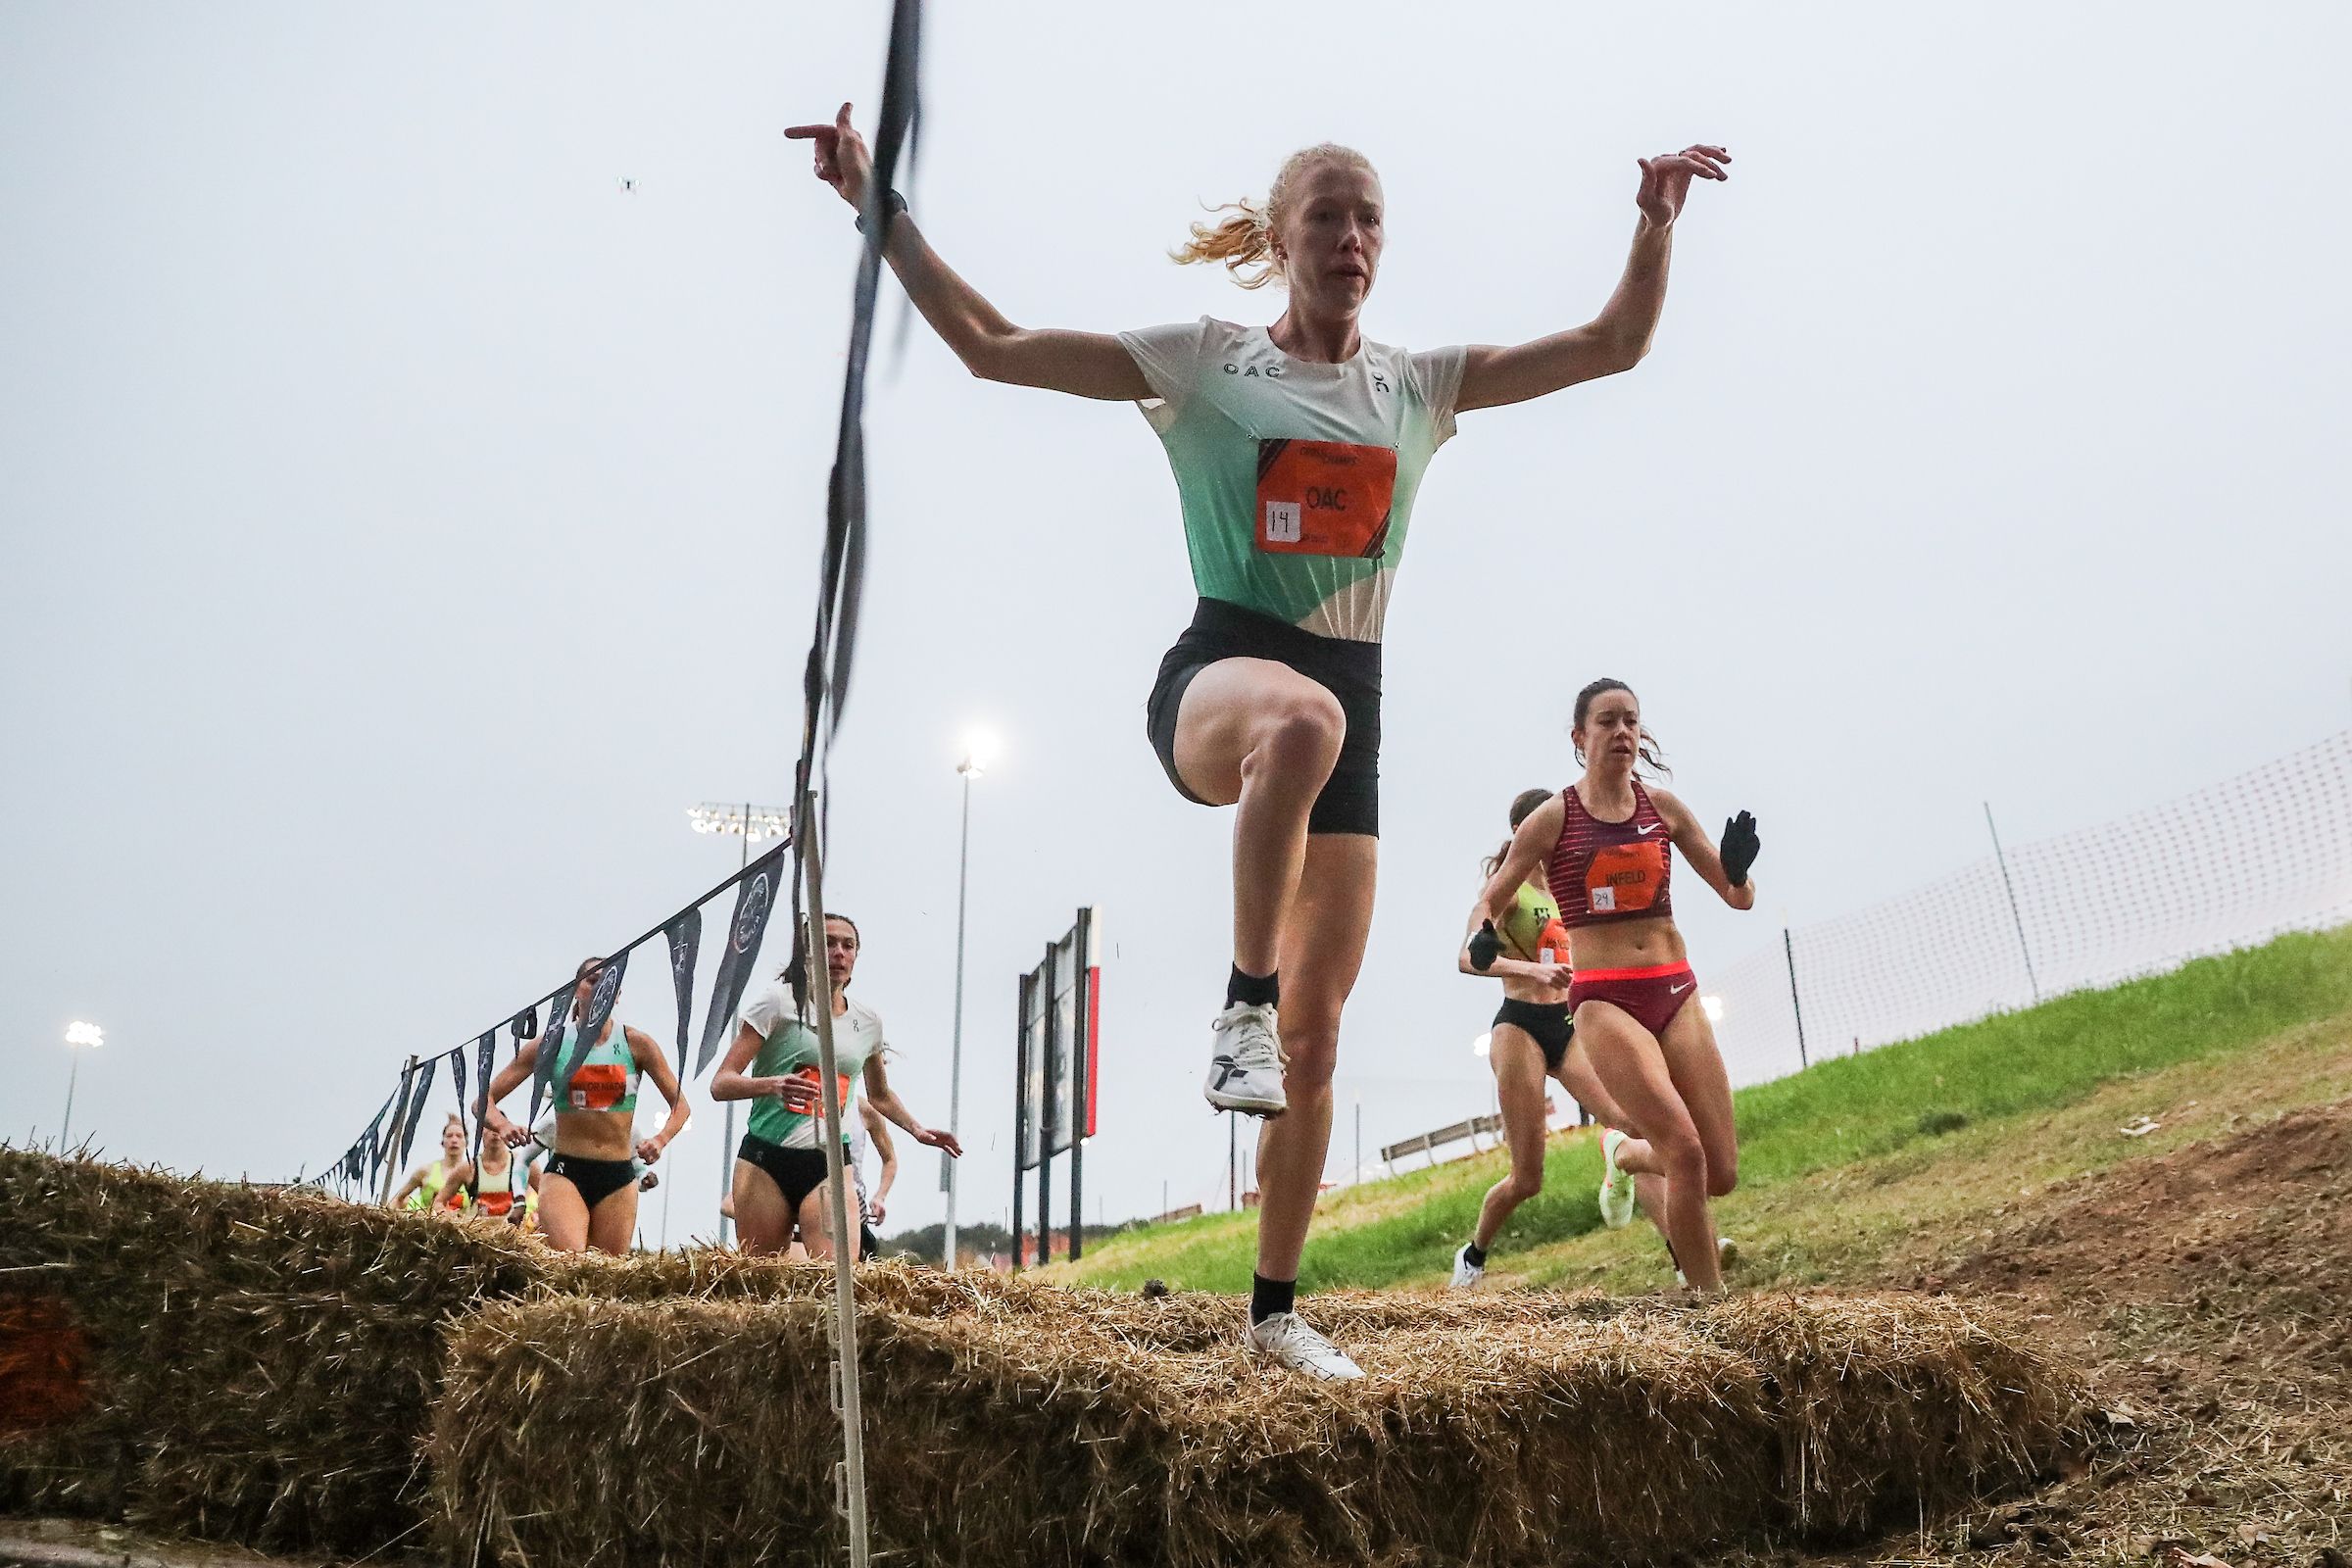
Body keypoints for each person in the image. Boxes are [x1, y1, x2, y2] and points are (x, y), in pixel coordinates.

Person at [785, 107, 1729, 1377]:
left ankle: (1276, 1309)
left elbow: (1613, 345)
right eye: (1327, 215)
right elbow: (990, 344)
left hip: (1355, 703)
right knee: (1300, 721)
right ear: (1280, 238)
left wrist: (1653, 224)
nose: (1351, 236)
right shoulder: (1205, 360)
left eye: (1369, 216)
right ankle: (1237, 998)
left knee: (1318, 1037)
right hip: (1220, 679)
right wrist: (873, 199)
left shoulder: (1414, 385)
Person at [1472, 680, 1760, 1291]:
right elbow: (1490, 902)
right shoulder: (1554, 818)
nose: (1622, 731)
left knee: (1721, 1170)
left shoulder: (1666, 809)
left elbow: (1737, 899)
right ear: (1580, 737)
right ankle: (1713, 1310)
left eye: (1631, 720)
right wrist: (1482, 937)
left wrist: (1739, 871)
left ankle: (1626, 1154)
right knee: (1684, 1151)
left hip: (1675, 989)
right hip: (1605, 999)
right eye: (1607, 721)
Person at [1449, 791, 1673, 1288]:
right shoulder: (1505, 888)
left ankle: (1683, 1252)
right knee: (1527, 1179)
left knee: (1633, 1124)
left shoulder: (1567, 886)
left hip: (1567, 1023)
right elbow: (1467, 958)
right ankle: (1474, 1254)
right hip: (1519, 1026)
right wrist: (1527, 968)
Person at [710, 913, 961, 1260]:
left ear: (857, 956)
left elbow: (880, 1095)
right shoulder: (777, 1004)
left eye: (848, 945)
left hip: (829, 1164)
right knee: (762, 1281)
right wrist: (773, 1085)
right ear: (806, 953)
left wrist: (917, 1129)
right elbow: (721, 1084)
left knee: (836, 1279)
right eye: (828, 943)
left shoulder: (868, 1022)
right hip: (765, 1159)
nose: (839, 953)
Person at [479, 956, 692, 1254]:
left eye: (610, 982)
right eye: (593, 980)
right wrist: (502, 1125)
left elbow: (681, 1106)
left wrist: (661, 1139)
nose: (601, 986)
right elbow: (482, 1102)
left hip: (618, 1176)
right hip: (567, 1171)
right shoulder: (551, 1045)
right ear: (577, 989)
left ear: (617, 996)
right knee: (572, 1265)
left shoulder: (637, 1044)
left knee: (606, 1276)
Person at [391, 1114, 471, 1212]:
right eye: (449, 1136)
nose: (454, 1140)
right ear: (443, 1142)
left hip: (462, 1225)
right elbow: (398, 1198)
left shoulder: (472, 1174)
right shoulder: (425, 1171)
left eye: (459, 1136)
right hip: (428, 1225)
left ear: (466, 1142)